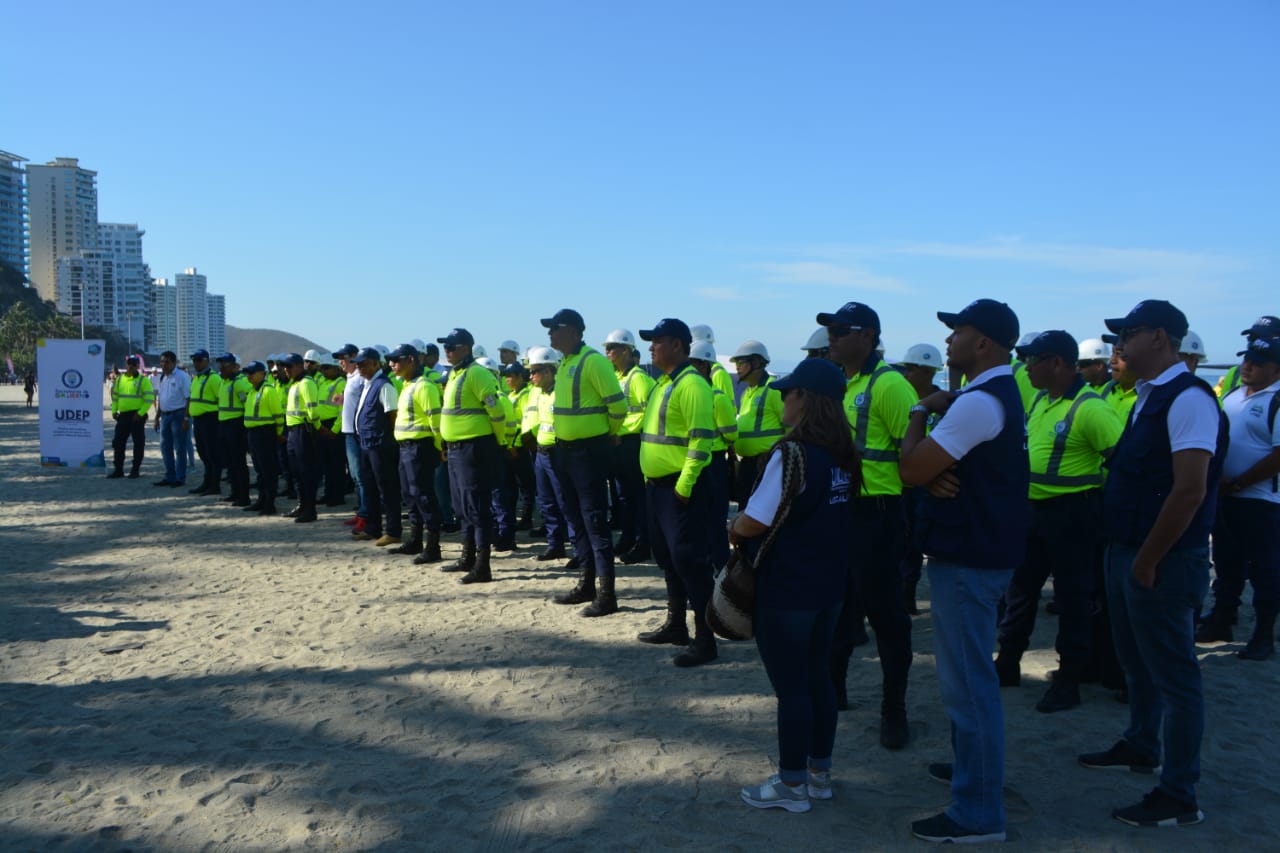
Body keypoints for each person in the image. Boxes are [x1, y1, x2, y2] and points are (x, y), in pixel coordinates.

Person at [1078, 299, 1227, 829]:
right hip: (1129, 552)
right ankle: (1142, 743)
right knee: (1137, 662)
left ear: (1160, 337)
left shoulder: (1189, 399)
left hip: (1162, 559)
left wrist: (1147, 560)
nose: (1119, 346)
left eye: (1130, 334)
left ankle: (1179, 792)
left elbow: (1189, 489)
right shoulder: (1149, 396)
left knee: (1175, 676)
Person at [899, 298, 1030, 844]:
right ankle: (975, 773)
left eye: (958, 333)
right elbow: (937, 472)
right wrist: (936, 472)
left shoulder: (977, 403)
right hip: (980, 552)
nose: (948, 342)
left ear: (985, 344)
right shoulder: (991, 395)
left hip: (970, 560)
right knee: (968, 682)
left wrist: (918, 414)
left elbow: (909, 468)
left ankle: (977, 812)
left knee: (969, 686)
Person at [733, 357, 859, 813]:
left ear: (805, 400)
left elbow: (754, 520)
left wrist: (732, 529)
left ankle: (790, 785)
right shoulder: (845, 453)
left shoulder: (792, 454)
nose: (782, 399)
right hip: (829, 586)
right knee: (818, 680)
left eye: (788, 393)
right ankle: (818, 775)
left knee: (792, 689)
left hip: (788, 590)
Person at [994, 331, 1122, 712]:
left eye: (1035, 360)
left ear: (1059, 363)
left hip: (1073, 515)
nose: (1027, 367)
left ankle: (1069, 680)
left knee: (1073, 598)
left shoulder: (1091, 408)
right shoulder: (1040, 400)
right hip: (1034, 514)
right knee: (1020, 592)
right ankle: (1008, 663)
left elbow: (1121, 463)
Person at [817, 301, 916, 749]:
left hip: (878, 515)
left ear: (869, 336)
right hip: (842, 513)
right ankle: (833, 693)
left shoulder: (890, 385)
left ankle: (893, 710)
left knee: (887, 618)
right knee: (836, 610)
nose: (832, 337)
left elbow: (915, 454)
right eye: (830, 331)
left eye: (841, 330)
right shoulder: (842, 382)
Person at [636, 318, 717, 664]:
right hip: (658, 489)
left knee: (691, 563)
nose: (651, 347)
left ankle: (705, 637)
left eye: (657, 341)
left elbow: (702, 442)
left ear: (678, 345)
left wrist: (684, 486)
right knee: (669, 560)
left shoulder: (692, 385)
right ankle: (676, 625)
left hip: (679, 490)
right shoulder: (663, 383)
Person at [1195, 337, 1280, 657]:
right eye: (1246, 359)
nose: (1247, 365)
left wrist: (1241, 482)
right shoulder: (1231, 396)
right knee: (1228, 562)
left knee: (1265, 568)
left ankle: (1263, 633)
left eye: (1257, 362)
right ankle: (1222, 618)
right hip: (1227, 495)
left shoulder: (1277, 400)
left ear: (1276, 368)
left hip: (1261, 500)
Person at [543, 308, 627, 616]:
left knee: (594, 521)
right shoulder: (566, 362)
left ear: (575, 331)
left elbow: (619, 406)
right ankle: (586, 584)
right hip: (565, 452)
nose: (550, 333)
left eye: (555, 328)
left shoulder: (593, 362)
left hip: (588, 453)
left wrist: (610, 434)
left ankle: (607, 594)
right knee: (576, 519)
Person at [437, 328, 507, 584]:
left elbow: (496, 410)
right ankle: (467, 557)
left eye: (452, 346)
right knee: (462, 506)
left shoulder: (476, 373)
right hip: (457, 450)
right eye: (446, 346)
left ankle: (482, 565)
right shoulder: (456, 374)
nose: (448, 350)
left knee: (477, 507)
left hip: (474, 449)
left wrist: (499, 440)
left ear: (466, 348)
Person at [896, 343, 944, 614]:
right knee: (904, 543)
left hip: (932, 487)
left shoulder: (946, 403)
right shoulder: (904, 399)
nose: (906, 374)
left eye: (911, 369)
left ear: (928, 371)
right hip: (905, 485)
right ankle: (906, 596)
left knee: (923, 540)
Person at [387, 343, 444, 562]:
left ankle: (433, 546)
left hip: (420, 447)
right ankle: (415, 540)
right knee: (410, 495)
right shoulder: (407, 385)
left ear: (411, 360)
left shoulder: (424, 386)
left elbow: (435, 420)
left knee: (424, 495)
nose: (393, 365)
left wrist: (440, 447)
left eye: (397, 360)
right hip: (406, 448)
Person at [604, 328, 655, 564]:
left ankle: (643, 542)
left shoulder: (639, 378)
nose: (608, 353)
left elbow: (651, 412)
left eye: (612, 348)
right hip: (617, 444)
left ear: (626, 350)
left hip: (633, 443)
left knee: (638, 497)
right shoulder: (617, 378)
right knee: (623, 497)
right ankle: (628, 537)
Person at [689, 339, 737, 572]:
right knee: (709, 518)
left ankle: (717, 565)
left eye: (695, 363)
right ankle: (715, 564)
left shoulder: (704, 396)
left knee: (711, 519)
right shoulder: (717, 397)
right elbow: (730, 433)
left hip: (705, 462)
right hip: (710, 461)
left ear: (705, 365)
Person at [523, 346, 574, 562]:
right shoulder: (539, 394)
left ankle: (578, 549)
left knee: (565, 502)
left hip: (558, 453)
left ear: (549, 371)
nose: (531, 376)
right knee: (546, 501)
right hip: (541, 454)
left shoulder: (562, 392)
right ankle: (555, 545)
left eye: (535, 371)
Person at [352, 346, 403, 547]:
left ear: (375, 363)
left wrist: (388, 440)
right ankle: (372, 527)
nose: (359, 368)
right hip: (366, 443)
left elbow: (393, 416)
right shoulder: (368, 383)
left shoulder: (384, 385)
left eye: (363, 364)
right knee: (370, 487)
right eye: (357, 364)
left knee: (387, 488)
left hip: (380, 445)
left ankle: (393, 530)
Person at [730, 340, 784, 507]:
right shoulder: (747, 392)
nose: (737, 367)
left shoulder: (774, 389)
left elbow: (791, 427)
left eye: (741, 362)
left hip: (766, 465)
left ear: (756, 362)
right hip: (748, 464)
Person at [333, 344, 369, 533]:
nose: (341, 362)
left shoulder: (361, 378)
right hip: (348, 432)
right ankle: (361, 511)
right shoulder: (349, 378)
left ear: (354, 357)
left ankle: (365, 514)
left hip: (356, 433)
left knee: (361, 476)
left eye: (344, 357)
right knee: (355, 476)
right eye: (339, 358)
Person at [282, 354, 321, 523]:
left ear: (300, 366)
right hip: (293, 432)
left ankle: (310, 510)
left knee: (306, 472)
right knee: (296, 472)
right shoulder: (295, 384)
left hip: (303, 431)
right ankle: (301, 505)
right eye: (285, 367)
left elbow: (313, 411)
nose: (286, 370)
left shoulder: (306, 383)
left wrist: (317, 429)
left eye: (289, 367)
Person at [242, 361, 285, 515]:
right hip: (253, 434)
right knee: (259, 470)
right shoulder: (252, 391)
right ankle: (261, 500)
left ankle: (269, 503)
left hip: (265, 433)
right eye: (247, 373)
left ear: (262, 373)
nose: (249, 376)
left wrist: (279, 433)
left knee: (268, 470)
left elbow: (278, 415)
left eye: (252, 373)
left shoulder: (268, 391)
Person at [213, 353, 253, 506]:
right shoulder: (224, 382)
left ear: (234, 366)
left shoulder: (239, 383)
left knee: (238, 463)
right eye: (220, 364)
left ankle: (244, 496)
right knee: (229, 463)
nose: (221, 367)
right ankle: (235, 493)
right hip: (223, 424)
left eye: (224, 365)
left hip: (235, 426)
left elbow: (247, 403)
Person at [107, 356, 155, 479]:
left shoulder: (143, 380)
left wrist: (140, 413)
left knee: (138, 443)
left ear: (138, 366)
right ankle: (118, 470)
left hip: (137, 416)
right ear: (126, 365)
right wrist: (113, 411)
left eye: (134, 364)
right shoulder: (119, 380)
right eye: (129, 363)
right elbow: (115, 397)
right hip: (122, 416)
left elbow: (149, 399)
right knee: (118, 443)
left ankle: (135, 470)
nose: (131, 366)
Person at [151, 351, 192, 487]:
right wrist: (157, 417)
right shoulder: (163, 377)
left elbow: (188, 398)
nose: (164, 364)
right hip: (165, 416)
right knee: (165, 447)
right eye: (162, 362)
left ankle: (180, 478)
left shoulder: (182, 376)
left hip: (178, 415)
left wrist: (186, 418)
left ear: (174, 363)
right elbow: (161, 399)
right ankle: (169, 476)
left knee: (180, 448)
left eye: (167, 362)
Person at [186, 350, 222, 494]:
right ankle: (207, 482)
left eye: (199, 360)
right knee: (203, 453)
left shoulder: (213, 379)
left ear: (207, 361)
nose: (196, 363)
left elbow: (221, 399)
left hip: (210, 419)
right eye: (194, 360)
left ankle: (215, 485)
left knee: (212, 454)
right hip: (198, 421)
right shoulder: (196, 378)